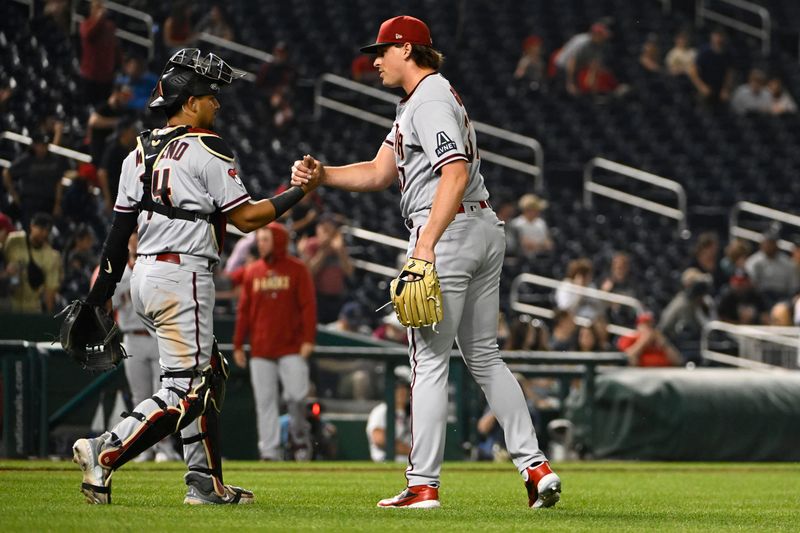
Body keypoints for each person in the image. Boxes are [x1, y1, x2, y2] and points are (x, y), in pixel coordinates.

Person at [291, 16, 560, 509]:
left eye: (382, 51)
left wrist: (426, 245)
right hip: (478, 227)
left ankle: (423, 485)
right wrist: (322, 176)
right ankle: (535, 466)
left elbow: (453, 172)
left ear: (407, 50)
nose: (374, 60)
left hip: (450, 229)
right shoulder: (421, 101)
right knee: (483, 356)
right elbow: (378, 171)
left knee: (429, 360)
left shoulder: (431, 98)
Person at [70, 47, 318, 506]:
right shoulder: (208, 148)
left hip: (144, 276)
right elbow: (246, 219)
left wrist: (97, 297)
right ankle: (107, 448)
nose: (216, 103)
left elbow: (115, 237)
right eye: (210, 95)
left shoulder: (136, 153)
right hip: (183, 276)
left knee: (209, 374)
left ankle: (203, 481)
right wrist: (300, 191)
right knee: (189, 387)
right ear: (189, 102)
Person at [232, 223, 317, 461]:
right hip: (261, 348)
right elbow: (244, 311)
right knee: (265, 403)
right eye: (259, 240)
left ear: (278, 241)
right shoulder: (252, 271)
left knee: (297, 397)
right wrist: (238, 343)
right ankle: (269, 451)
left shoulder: (298, 269)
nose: (261, 244)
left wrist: (308, 339)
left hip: (291, 346)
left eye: (266, 239)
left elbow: (308, 307)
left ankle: (300, 439)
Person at [107, 233, 181, 462]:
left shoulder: (159, 266)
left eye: (140, 234)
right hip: (131, 337)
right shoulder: (120, 271)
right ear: (128, 241)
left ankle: (165, 447)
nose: (137, 239)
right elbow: (110, 304)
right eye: (133, 235)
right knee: (140, 396)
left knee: (164, 395)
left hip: (158, 337)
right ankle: (142, 447)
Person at [299, 213, 354, 323]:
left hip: (336, 298)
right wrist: (323, 252)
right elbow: (309, 272)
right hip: (317, 297)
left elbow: (349, 271)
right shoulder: (311, 245)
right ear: (318, 229)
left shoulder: (340, 247)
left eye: (330, 228)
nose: (327, 233)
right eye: (324, 229)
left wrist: (340, 251)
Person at [2, 133, 66, 228]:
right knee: (29, 229)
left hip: (48, 202)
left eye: (45, 145)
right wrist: (14, 194)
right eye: (41, 145)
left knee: (46, 230)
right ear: (34, 145)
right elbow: (7, 173)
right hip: (30, 202)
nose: (43, 148)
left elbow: (59, 182)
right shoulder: (26, 159)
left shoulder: (53, 160)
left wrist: (57, 204)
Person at [3, 213, 62, 313]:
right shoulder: (14, 241)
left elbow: (50, 292)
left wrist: (49, 317)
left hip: (33, 307)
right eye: (41, 229)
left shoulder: (52, 256)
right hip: (9, 302)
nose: (44, 233)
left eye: (47, 230)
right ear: (32, 226)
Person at [366, 366, 412, 462]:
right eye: (398, 388)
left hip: (411, 465)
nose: (402, 392)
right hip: (386, 464)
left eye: (405, 388)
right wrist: (413, 452)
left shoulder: (413, 412)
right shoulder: (381, 411)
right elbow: (379, 439)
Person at [79, 0, 119, 105]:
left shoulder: (110, 26)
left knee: (104, 106)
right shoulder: (85, 24)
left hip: (106, 76)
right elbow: (88, 35)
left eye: (101, 8)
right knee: (89, 105)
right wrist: (99, 19)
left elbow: (114, 47)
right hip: (90, 76)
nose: (101, 11)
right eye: (97, 8)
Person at [744, 229, 797, 305]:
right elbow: (751, 284)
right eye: (767, 243)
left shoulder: (788, 263)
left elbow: (793, 287)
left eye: (771, 243)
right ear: (761, 244)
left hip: (783, 297)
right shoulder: (753, 262)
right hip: (760, 297)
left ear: (776, 244)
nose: (769, 246)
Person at [688, 28, 734, 104]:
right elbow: (693, 70)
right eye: (716, 36)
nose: (718, 39)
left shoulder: (727, 53)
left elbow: (729, 73)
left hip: (720, 88)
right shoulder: (704, 52)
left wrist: (726, 89)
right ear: (712, 37)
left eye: (720, 36)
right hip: (705, 86)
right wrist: (701, 86)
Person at [617, 312, 682, 367]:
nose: (649, 328)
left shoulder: (659, 341)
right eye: (646, 325)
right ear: (638, 327)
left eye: (651, 325)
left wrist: (664, 344)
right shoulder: (630, 338)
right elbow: (629, 359)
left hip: (664, 374)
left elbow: (678, 361)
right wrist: (644, 341)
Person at [510, 194, 553, 259]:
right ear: (527, 209)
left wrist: (537, 245)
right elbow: (524, 244)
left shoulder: (541, 223)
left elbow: (549, 244)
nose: (538, 211)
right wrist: (541, 245)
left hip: (542, 257)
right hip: (524, 258)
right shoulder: (517, 223)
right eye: (535, 209)